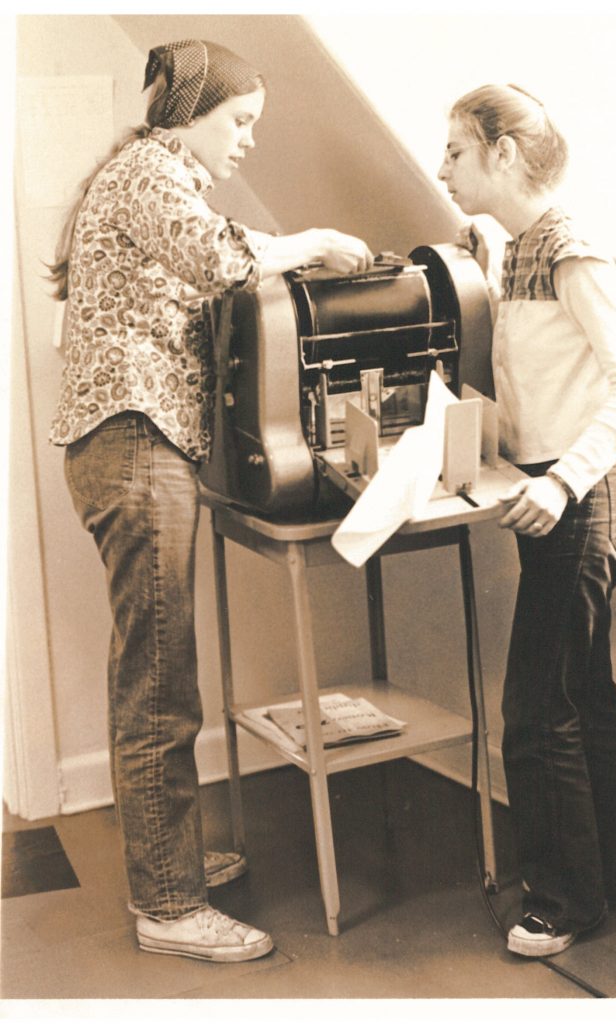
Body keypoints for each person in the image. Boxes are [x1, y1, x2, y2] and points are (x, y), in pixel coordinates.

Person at [48, 38, 373, 964]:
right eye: (240, 123)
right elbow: (224, 259)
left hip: (132, 445)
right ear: (190, 114)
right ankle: (169, 907)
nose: (248, 143)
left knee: (155, 668)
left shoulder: (140, 172)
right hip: (136, 445)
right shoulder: (154, 172)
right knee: (159, 680)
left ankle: (169, 859)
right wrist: (312, 241)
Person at [438, 84, 616, 958]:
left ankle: (564, 903)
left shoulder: (570, 249)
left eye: (454, 150)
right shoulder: (512, 249)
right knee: (581, 694)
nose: (442, 167)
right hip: (559, 498)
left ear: (502, 153)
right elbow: (528, 391)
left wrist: (561, 485)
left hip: (587, 498)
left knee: (534, 709)